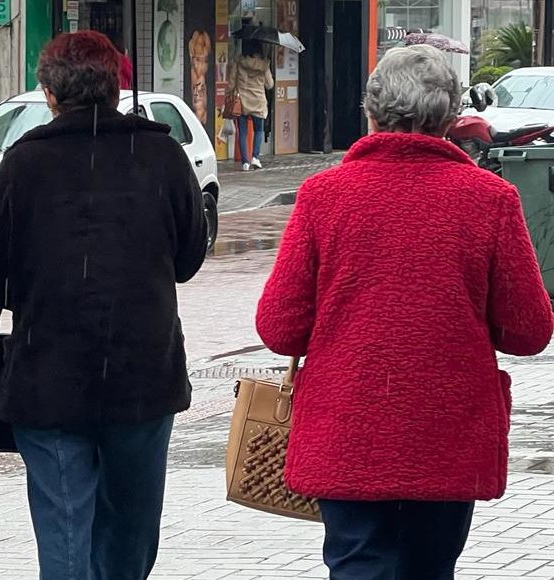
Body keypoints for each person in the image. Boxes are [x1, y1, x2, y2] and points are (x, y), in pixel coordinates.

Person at [256, 45, 553, 580]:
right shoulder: (490, 199)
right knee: (431, 567)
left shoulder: (324, 195)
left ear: (371, 112)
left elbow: (280, 328)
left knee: (356, 564)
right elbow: (529, 331)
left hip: (347, 430)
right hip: (447, 435)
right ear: (450, 118)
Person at [0, 31, 207, 580]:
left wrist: (48, 293)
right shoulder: (162, 155)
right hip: (142, 377)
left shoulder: (22, 164)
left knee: (64, 534)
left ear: (49, 94)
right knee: (130, 529)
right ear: (116, 84)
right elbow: (188, 259)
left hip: (47, 377)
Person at [230, 39, 273, 171]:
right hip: (258, 102)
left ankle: (245, 163)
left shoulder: (239, 61)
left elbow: (232, 81)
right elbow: (269, 84)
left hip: (242, 101)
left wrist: (229, 93)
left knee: (242, 132)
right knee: (258, 130)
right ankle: (255, 157)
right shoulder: (264, 65)